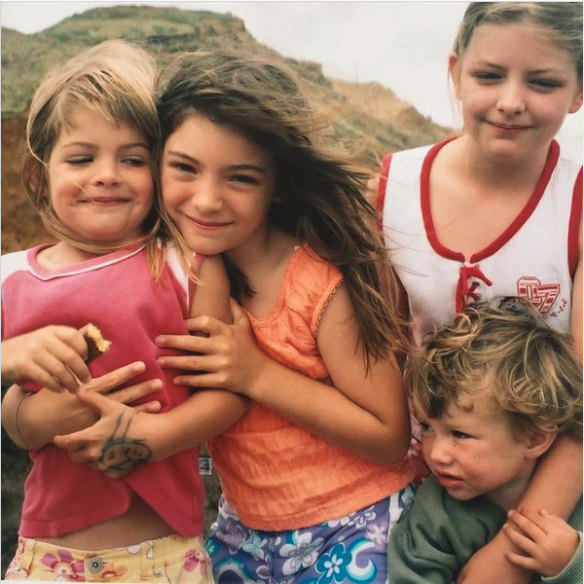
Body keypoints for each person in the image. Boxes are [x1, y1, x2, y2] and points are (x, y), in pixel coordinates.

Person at [51, 50, 415, 583]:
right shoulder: (171, 278)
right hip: (244, 533)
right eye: (184, 168)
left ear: (278, 184)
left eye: (241, 178)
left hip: (356, 523)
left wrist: (256, 374)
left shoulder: (316, 284)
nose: (208, 199)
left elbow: (387, 434)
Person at [0, 40, 245, 583]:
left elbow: (230, 392)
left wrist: (156, 436)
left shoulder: (188, 264)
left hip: (166, 556)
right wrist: (11, 372)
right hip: (47, 557)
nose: (107, 175)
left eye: (132, 159)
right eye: (82, 158)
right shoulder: (10, 275)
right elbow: (18, 416)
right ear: (40, 175)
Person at [374, 3, 583, 582]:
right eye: (489, 75)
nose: (511, 100)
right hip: (415, 495)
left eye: (542, 82)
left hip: (551, 498)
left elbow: (582, 403)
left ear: (577, 92)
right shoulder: (388, 191)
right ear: (456, 71)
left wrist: (513, 551)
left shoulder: (577, 207)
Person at [388, 299, 583, 584]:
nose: (436, 454)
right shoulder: (433, 518)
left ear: (535, 439)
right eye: (428, 427)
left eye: (460, 434)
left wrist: (572, 564)